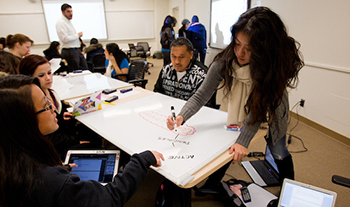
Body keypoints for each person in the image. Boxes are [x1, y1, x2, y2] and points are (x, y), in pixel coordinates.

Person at [167, 7, 304, 191]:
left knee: (278, 151)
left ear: (264, 49)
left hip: (272, 105)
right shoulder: (224, 61)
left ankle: (291, 190)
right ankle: (213, 185)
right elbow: (201, 95)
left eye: (249, 49)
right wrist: (181, 117)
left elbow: (258, 109)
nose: (240, 52)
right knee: (230, 142)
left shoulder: (271, 68)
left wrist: (243, 141)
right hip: (245, 108)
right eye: (237, 44)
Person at [0, 75, 164, 207]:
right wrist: (142, 160)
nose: (53, 109)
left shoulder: (11, 159)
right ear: (24, 121)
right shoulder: (46, 180)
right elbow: (109, 198)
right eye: (46, 104)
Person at [18, 55, 80, 160]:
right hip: (53, 147)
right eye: (41, 75)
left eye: (49, 73)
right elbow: (46, 137)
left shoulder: (50, 92)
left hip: (62, 137)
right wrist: (76, 140)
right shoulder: (32, 101)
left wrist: (60, 117)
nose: (48, 78)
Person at [154, 37, 215, 108]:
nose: (177, 61)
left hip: (191, 115)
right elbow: (157, 92)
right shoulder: (166, 69)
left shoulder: (202, 75)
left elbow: (208, 106)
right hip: (168, 110)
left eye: (182, 57)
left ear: (191, 55)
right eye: (173, 56)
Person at [56, 3, 88, 72]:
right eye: (68, 11)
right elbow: (64, 39)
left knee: (85, 70)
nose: (71, 13)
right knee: (76, 72)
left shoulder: (68, 22)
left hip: (75, 50)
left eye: (71, 11)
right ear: (62, 12)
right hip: (69, 51)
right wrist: (77, 35)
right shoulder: (61, 23)